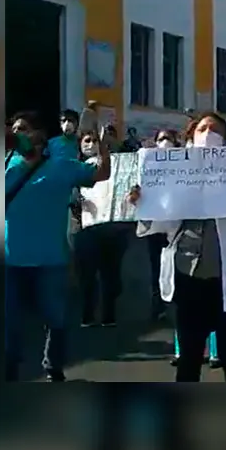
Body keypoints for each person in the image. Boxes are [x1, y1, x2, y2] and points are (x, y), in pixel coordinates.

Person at [130, 112, 226, 382]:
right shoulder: (175, 173)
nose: (209, 134)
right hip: (187, 277)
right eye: (203, 128)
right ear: (191, 136)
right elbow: (157, 222)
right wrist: (143, 200)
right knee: (189, 357)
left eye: (216, 129)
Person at [6, 110, 112, 382]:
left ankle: (53, 367)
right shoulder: (6, 163)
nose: (17, 134)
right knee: (8, 323)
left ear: (40, 135)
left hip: (50, 261)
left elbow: (101, 173)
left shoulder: (62, 166)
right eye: (14, 128)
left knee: (55, 320)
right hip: (9, 261)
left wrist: (104, 146)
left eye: (24, 129)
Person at [74, 129, 131, 327]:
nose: (91, 144)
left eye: (94, 140)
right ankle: (87, 314)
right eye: (86, 141)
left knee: (111, 275)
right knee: (86, 275)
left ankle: (109, 313)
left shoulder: (118, 167)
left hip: (112, 228)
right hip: (86, 228)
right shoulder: (74, 168)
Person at [145, 130, 181, 323]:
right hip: (156, 226)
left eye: (168, 139)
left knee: (178, 267)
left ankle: (177, 303)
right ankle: (157, 305)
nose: (164, 142)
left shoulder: (184, 167)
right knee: (156, 267)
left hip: (178, 227)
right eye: (160, 139)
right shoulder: (149, 167)